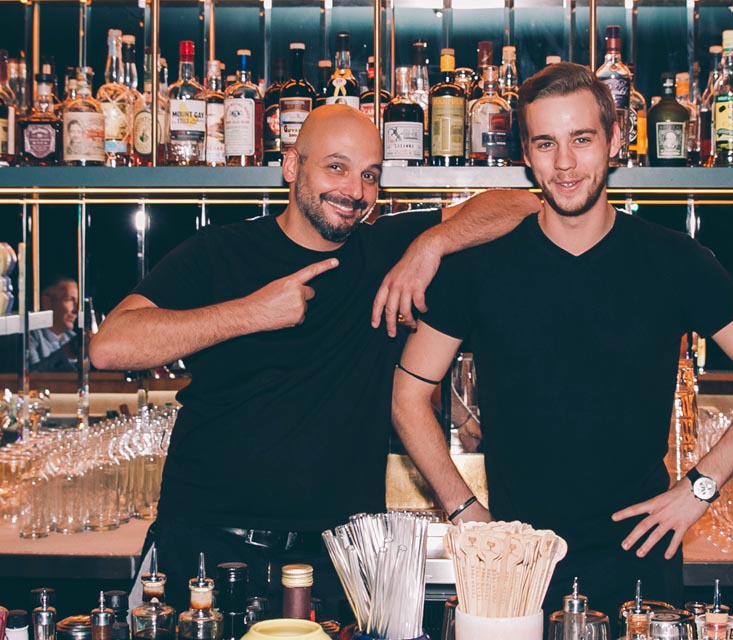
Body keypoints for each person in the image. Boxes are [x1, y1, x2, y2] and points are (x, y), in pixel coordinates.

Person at [390, 62, 733, 618]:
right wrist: (464, 511)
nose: (564, 163)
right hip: (518, 561)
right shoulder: (478, 267)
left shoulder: (674, 260)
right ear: (526, 154)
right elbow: (408, 396)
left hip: (642, 557)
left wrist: (699, 489)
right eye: (546, 143)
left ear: (614, 140)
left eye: (581, 139)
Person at [88, 104, 540, 614]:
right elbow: (110, 346)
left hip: (336, 561)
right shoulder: (220, 251)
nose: (355, 190)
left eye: (370, 175)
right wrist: (252, 312)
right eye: (336, 167)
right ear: (291, 166)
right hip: (208, 546)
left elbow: (519, 204)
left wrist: (429, 246)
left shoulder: (383, 249)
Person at [28, 276, 79, 372]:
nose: (76, 309)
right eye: (69, 300)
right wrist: (67, 353)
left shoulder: (72, 338)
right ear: (46, 302)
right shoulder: (30, 337)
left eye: (77, 302)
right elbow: (32, 376)